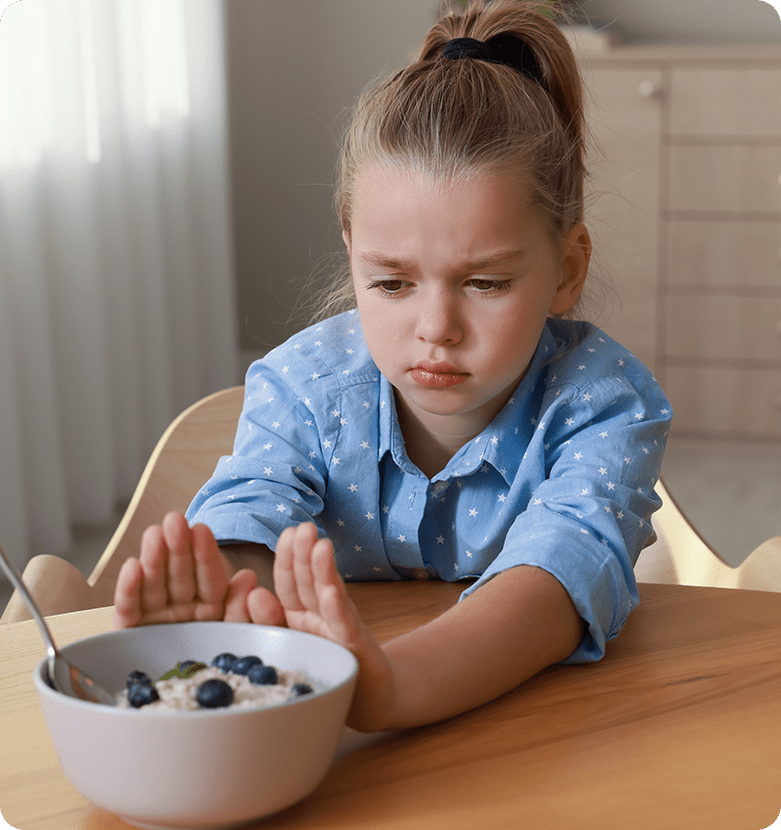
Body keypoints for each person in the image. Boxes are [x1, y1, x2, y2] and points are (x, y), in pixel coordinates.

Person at [113, 0, 672, 733]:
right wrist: (229, 593)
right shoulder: (303, 388)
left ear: (567, 269)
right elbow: (251, 515)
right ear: (351, 252)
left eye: (485, 283)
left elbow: (557, 579)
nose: (435, 329)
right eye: (391, 283)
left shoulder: (604, 404)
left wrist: (394, 684)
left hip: (545, 737)